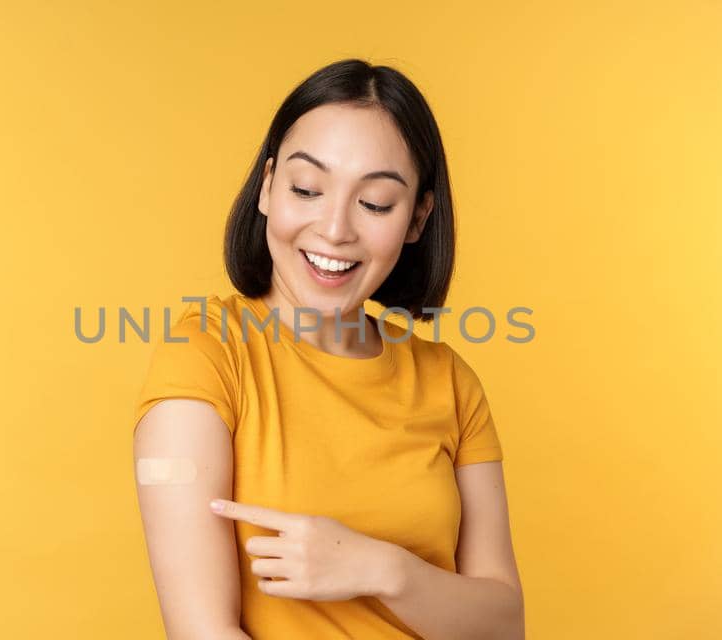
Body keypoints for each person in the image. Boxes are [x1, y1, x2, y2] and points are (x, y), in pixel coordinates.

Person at [132, 58, 523, 639]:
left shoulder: (449, 381)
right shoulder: (207, 355)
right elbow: (202, 632)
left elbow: (504, 626)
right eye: (307, 189)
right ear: (267, 187)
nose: (335, 229)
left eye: (376, 204)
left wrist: (383, 569)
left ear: (417, 219)